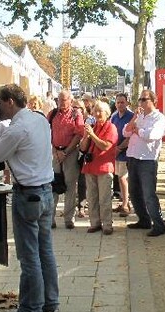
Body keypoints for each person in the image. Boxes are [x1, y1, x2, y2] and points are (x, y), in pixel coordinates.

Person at [0, 84, 58, 312]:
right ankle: (51, 304)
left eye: (0, 103)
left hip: (28, 196)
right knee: (46, 253)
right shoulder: (39, 119)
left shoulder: (17, 129)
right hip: (45, 192)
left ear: (10, 101)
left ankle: (31, 307)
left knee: (29, 257)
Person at [124, 89, 165, 237]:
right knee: (134, 192)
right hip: (133, 157)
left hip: (147, 160)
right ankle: (143, 219)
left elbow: (152, 135)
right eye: (140, 99)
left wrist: (138, 131)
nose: (141, 102)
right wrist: (135, 118)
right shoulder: (140, 116)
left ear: (153, 101)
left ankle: (159, 224)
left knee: (149, 194)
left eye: (144, 99)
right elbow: (125, 131)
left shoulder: (159, 118)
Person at [79, 100, 118, 235]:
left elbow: (105, 146)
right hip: (90, 167)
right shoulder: (93, 126)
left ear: (107, 113)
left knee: (104, 198)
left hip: (104, 168)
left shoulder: (111, 127)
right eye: (95, 110)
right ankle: (94, 223)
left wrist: (93, 135)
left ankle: (107, 224)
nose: (97, 113)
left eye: (100, 111)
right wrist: (86, 136)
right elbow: (83, 148)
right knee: (92, 198)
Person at [48, 90, 85, 229]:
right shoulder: (52, 114)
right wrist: (55, 151)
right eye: (59, 100)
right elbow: (47, 132)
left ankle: (69, 219)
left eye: (64, 100)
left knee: (70, 186)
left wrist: (66, 151)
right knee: (54, 186)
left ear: (70, 100)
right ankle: (50, 219)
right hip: (56, 153)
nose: (61, 103)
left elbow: (79, 134)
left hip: (70, 153)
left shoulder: (76, 114)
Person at [110, 93, 134, 217]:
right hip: (115, 152)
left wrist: (119, 148)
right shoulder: (114, 117)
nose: (120, 104)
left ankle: (126, 204)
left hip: (126, 153)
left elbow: (131, 136)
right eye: (118, 102)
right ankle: (124, 201)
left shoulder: (131, 116)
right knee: (119, 177)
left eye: (122, 102)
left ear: (127, 103)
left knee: (123, 178)